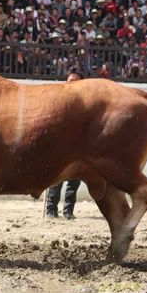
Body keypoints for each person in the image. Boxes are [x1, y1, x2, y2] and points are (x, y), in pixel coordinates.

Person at [46, 70, 83, 219]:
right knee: (56, 179)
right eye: (70, 81)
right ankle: (51, 210)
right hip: (60, 147)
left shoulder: (85, 103)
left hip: (78, 147)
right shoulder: (58, 101)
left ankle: (68, 212)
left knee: (74, 182)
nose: (73, 84)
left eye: (76, 81)